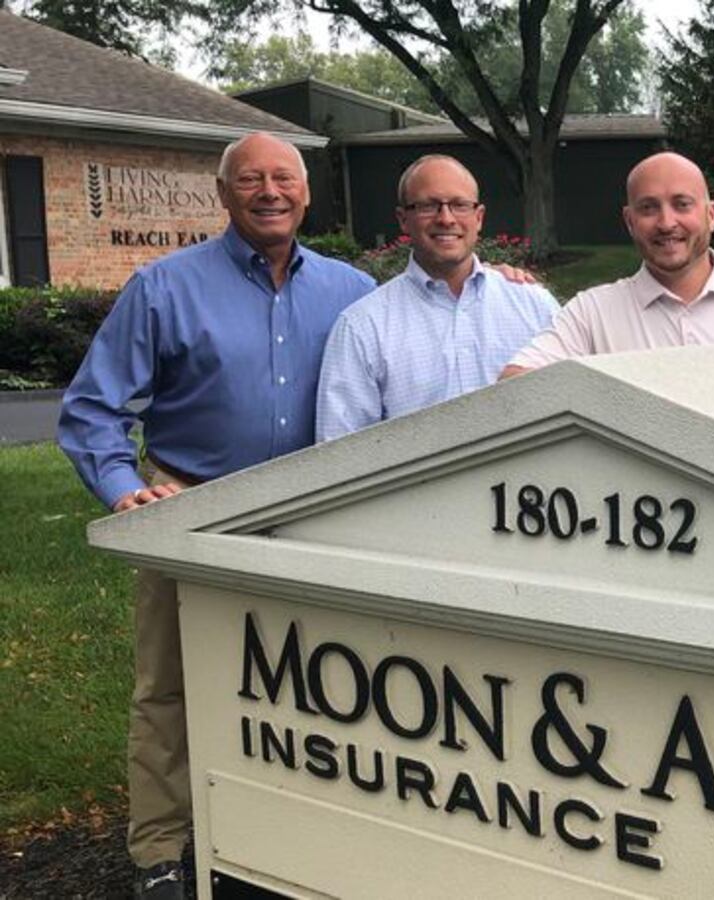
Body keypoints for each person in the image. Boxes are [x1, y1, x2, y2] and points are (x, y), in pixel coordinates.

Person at [56, 132, 377, 898]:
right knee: (168, 686)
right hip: (190, 511)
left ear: (306, 192)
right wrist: (124, 490)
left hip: (309, 516)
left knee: (313, 688)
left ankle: (294, 834)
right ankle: (160, 852)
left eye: (284, 178)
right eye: (250, 179)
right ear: (223, 193)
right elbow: (91, 410)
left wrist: (494, 275)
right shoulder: (164, 288)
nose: (269, 191)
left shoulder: (354, 291)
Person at [499, 151, 714, 376]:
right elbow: (514, 382)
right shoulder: (591, 314)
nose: (666, 222)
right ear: (630, 221)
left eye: (682, 204)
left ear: (711, 214)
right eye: (648, 208)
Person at [316, 155, 558, 441]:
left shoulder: (535, 307)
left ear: (478, 217)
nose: (446, 218)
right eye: (429, 206)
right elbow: (339, 451)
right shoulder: (363, 327)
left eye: (459, 205)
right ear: (403, 219)